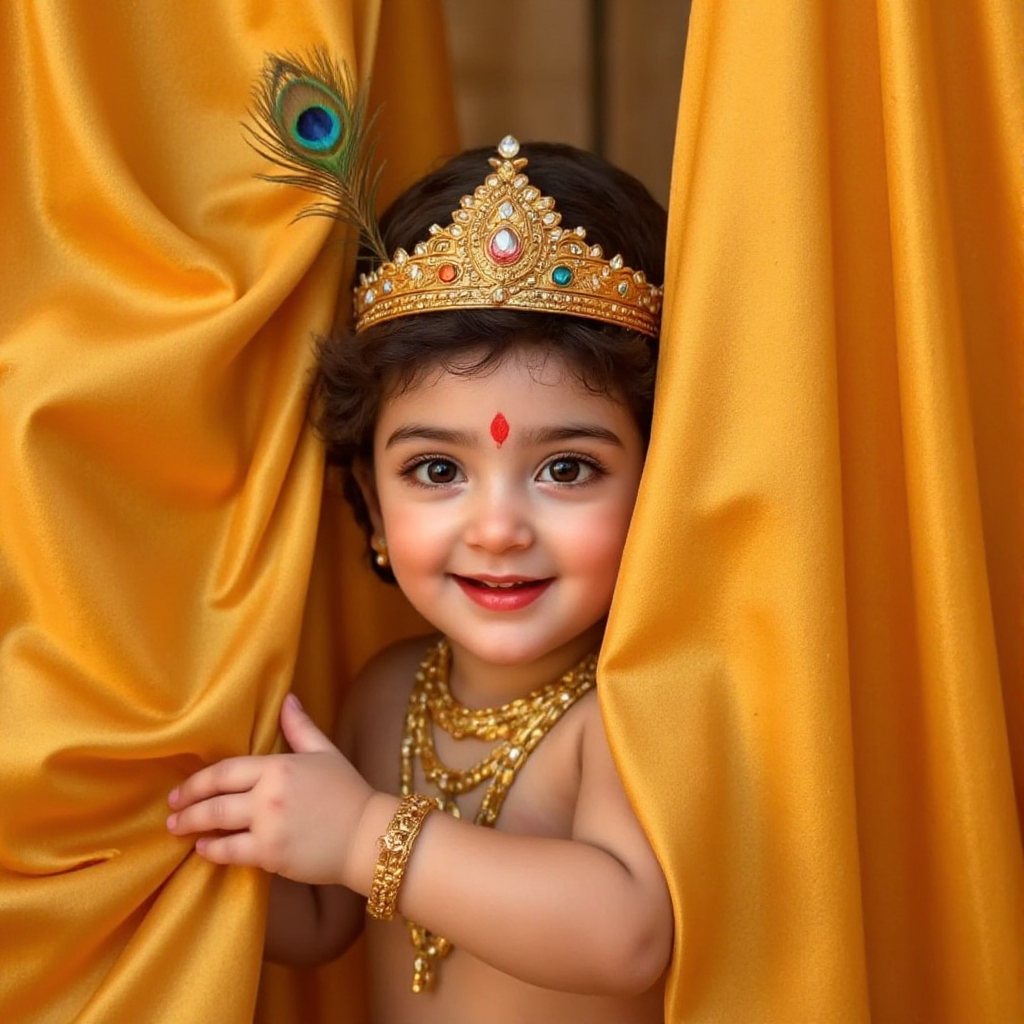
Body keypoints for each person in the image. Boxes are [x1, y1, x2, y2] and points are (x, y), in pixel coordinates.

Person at [166, 134, 673, 1024]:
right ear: (368, 487)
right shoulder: (386, 693)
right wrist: (209, 830)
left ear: (660, 482)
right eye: (438, 471)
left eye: (567, 470)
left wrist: (367, 835)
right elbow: (324, 918)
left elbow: (625, 931)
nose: (498, 529)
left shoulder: (630, 710)